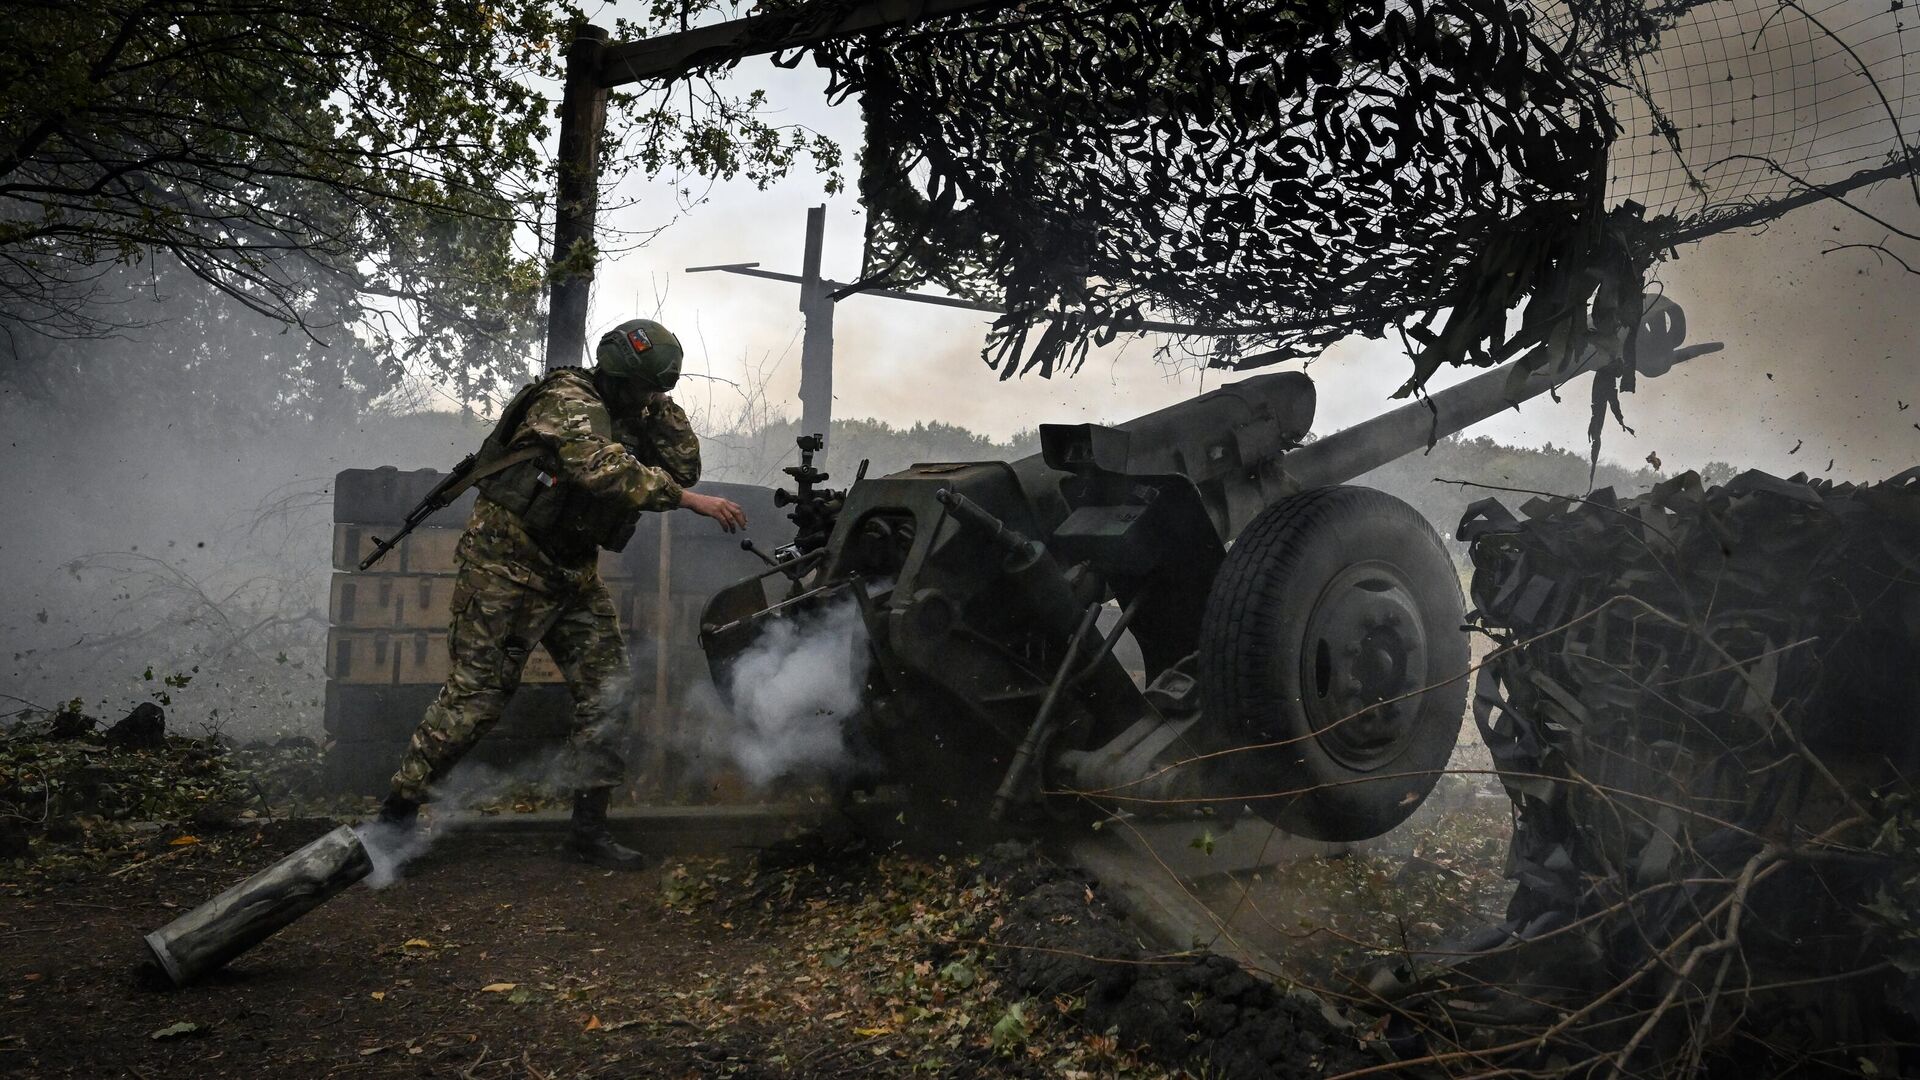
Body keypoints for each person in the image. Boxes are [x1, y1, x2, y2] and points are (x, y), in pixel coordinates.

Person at [376, 318, 747, 869]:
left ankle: (588, 830)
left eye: (660, 388)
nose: (653, 397)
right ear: (619, 377)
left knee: (609, 691)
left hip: (571, 571)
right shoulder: (566, 399)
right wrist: (691, 502)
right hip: (507, 565)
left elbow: (683, 465)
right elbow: (602, 470)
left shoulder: (636, 411)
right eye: (647, 386)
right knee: (478, 697)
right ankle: (394, 820)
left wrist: (659, 406)